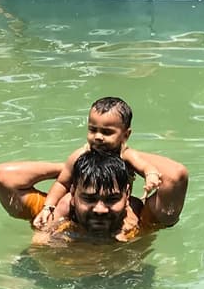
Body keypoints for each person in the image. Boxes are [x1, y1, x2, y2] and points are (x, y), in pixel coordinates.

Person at [0, 146, 189, 246]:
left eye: (112, 199)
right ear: (73, 192)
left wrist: (124, 152)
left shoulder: (143, 220)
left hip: (119, 286)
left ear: (127, 194)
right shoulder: (52, 214)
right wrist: (70, 170)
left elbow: (176, 176)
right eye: (89, 199)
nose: (100, 210)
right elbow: (2, 176)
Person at [29, 95, 170, 230]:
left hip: (114, 202)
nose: (98, 137)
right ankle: (49, 228)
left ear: (126, 135)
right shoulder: (80, 155)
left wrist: (151, 175)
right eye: (92, 130)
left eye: (106, 132)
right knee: (65, 202)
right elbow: (62, 183)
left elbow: (145, 166)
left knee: (134, 209)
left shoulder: (126, 154)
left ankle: (127, 232)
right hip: (86, 197)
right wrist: (48, 207)